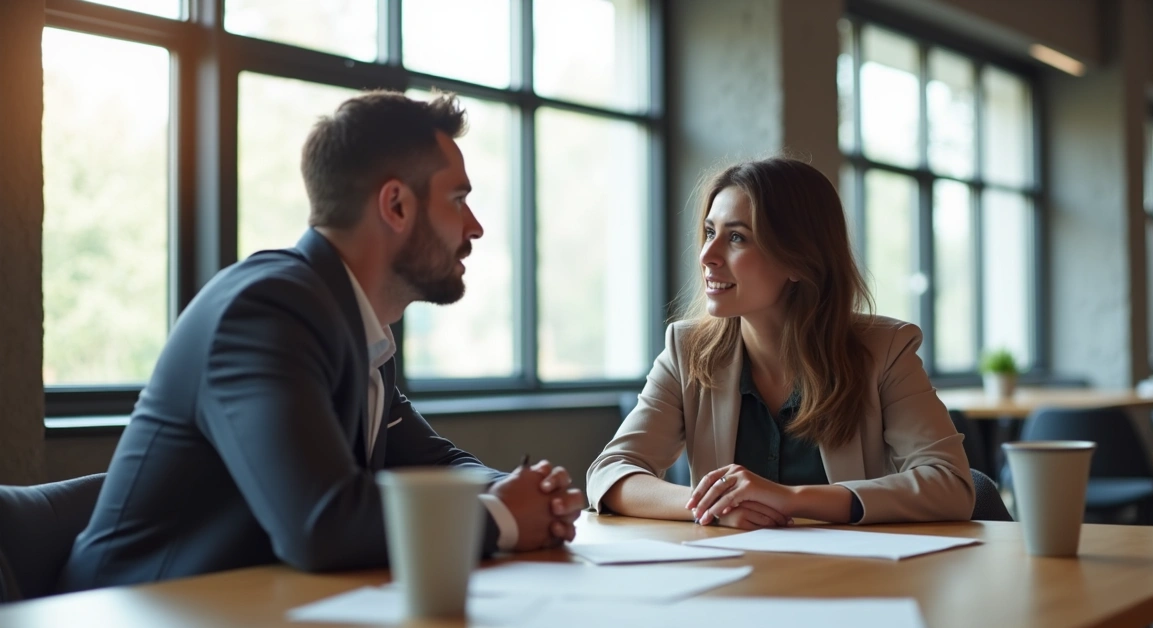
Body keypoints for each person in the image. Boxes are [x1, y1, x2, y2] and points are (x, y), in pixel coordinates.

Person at [59, 91, 585, 591]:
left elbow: (436, 464)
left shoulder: (356, 327)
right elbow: (320, 522)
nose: (476, 227)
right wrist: (500, 517)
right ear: (396, 205)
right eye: (458, 200)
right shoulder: (266, 312)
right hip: (135, 617)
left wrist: (524, 494)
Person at [586, 157, 973, 529]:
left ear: (798, 260)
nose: (707, 255)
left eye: (736, 237)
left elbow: (951, 484)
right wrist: (712, 508)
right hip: (730, 581)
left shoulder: (885, 350)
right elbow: (611, 472)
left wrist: (791, 498)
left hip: (854, 582)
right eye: (709, 232)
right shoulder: (686, 350)